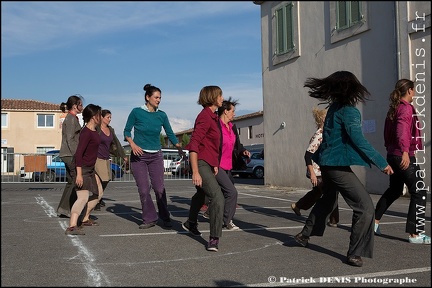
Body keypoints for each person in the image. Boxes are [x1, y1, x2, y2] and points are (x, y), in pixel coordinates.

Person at [293, 71, 393, 267]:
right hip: (336, 166)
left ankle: (303, 235)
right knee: (365, 207)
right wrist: (382, 163)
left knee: (328, 201)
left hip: (327, 164)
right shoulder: (349, 111)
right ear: (352, 89)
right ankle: (355, 253)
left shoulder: (333, 109)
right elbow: (359, 140)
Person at [374, 79, 430, 244]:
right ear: (410, 91)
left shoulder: (394, 108)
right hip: (402, 155)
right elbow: (402, 131)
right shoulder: (405, 108)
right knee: (419, 191)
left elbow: (387, 133)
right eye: (415, 91)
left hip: (392, 154)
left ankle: (374, 222)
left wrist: (393, 150)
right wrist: (405, 151)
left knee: (395, 189)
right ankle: (415, 233)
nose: (415, 94)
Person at [124, 84, 183, 229]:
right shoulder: (136, 112)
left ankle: (165, 216)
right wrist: (132, 144)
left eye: (160, 98)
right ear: (147, 97)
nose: (159, 100)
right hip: (139, 156)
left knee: (159, 189)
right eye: (156, 97)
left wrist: (179, 147)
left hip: (156, 155)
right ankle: (149, 218)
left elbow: (170, 133)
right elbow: (126, 131)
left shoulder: (161, 115)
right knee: (144, 190)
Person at [182, 85, 224, 252]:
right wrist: (196, 172)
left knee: (202, 194)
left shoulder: (213, 117)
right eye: (220, 95)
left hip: (208, 162)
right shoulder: (205, 117)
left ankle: (190, 222)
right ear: (213, 97)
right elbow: (194, 145)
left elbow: (211, 145)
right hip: (199, 163)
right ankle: (214, 238)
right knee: (217, 197)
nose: (222, 98)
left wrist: (214, 163)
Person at [200, 97, 250, 230]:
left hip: (228, 165)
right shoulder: (216, 125)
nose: (234, 113)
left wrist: (243, 151)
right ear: (225, 112)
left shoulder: (232, 127)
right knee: (232, 192)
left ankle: (209, 212)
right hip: (216, 165)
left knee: (223, 193)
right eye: (233, 111)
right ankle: (227, 221)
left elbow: (237, 145)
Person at [291, 107, 339, 227]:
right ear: (323, 119)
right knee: (329, 193)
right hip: (317, 172)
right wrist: (312, 173)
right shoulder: (319, 135)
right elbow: (307, 155)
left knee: (319, 193)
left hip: (323, 171)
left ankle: (298, 206)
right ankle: (332, 220)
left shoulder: (327, 133)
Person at [65, 104, 103, 235]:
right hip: (82, 169)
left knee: (98, 193)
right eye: (99, 114)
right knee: (83, 197)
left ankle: (85, 218)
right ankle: (72, 226)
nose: (101, 116)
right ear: (93, 117)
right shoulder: (86, 132)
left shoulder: (95, 130)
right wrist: (79, 174)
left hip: (90, 169)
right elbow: (79, 154)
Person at [94, 109, 128, 211]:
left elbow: (116, 143)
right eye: (108, 117)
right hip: (97, 157)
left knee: (107, 179)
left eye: (110, 117)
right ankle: (95, 201)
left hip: (106, 157)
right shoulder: (96, 128)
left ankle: (98, 198)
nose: (110, 119)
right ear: (101, 118)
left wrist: (123, 155)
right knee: (102, 179)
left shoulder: (110, 129)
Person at [56, 95, 84, 218]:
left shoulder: (73, 118)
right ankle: (67, 209)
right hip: (69, 154)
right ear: (74, 106)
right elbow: (70, 139)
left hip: (67, 153)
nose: (82, 106)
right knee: (74, 181)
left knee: (70, 182)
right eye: (80, 104)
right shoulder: (71, 119)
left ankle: (63, 208)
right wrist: (76, 155)